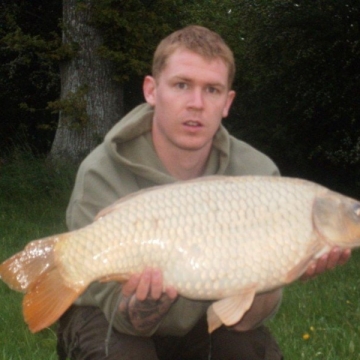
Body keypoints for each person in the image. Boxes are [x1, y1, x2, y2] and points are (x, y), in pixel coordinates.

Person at [57, 25, 351, 360]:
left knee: (249, 350)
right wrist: (144, 303)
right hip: (108, 318)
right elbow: (119, 315)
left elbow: (243, 320)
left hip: (204, 321)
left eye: (212, 90)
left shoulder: (259, 174)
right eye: (182, 85)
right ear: (152, 90)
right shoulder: (102, 171)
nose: (196, 104)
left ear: (227, 102)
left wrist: (292, 268)